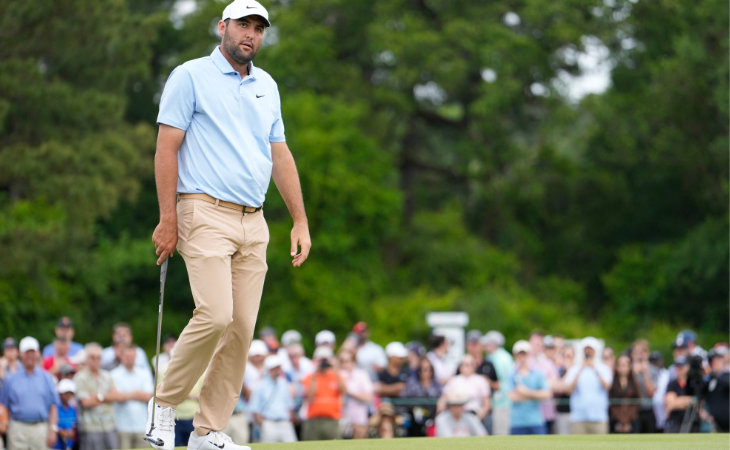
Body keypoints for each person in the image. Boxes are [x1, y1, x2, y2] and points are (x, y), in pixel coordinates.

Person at [147, 0, 311, 447]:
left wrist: (300, 220)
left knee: (241, 329)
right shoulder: (189, 75)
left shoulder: (267, 86)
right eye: (243, 24)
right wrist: (167, 218)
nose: (250, 34)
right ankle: (164, 404)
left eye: (259, 27)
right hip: (202, 211)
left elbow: (279, 154)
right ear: (223, 26)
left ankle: (208, 430)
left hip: (253, 222)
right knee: (216, 313)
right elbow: (166, 149)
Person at [0, 336, 59, 450]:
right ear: (21, 354)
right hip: (17, 428)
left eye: (32, 352)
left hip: (41, 428)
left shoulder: (46, 378)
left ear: (37, 354)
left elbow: (53, 405)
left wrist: (53, 429)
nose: (30, 356)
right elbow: (4, 406)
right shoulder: (11, 379)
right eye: (27, 353)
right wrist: (4, 424)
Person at [74, 342, 124, 450]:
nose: (96, 360)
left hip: (109, 426)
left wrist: (98, 396)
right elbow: (86, 403)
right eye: (92, 357)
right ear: (86, 359)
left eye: (99, 357)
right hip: (90, 428)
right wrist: (107, 397)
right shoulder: (80, 377)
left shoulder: (107, 375)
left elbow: (117, 396)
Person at [564, 337, 612, 434]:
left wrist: (594, 369)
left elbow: (607, 386)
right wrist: (581, 369)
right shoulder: (574, 368)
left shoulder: (603, 368)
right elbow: (569, 390)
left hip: (599, 416)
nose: (588, 352)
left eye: (591, 349)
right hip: (578, 417)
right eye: (586, 349)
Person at [110, 344, 154, 449]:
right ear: (121, 356)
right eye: (127, 356)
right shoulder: (113, 374)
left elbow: (149, 396)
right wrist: (136, 394)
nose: (130, 359)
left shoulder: (144, 373)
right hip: (121, 426)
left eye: (132, 356)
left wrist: (125, 395)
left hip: (142, 425)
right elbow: (115, 397)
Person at [249, 355, 297, 443]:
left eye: (278, 368)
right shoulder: (260, 386)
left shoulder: (284, 384)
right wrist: (263, 424)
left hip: (285, 422)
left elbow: (289, 406)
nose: (277, 371)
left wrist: (289, 419)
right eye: (274, 368)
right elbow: (255, 409)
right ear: (269, 370)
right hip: (268, 423)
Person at [507, 340, 551, 435]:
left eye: (525, 354)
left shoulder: (537, 373)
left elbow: (547, 394)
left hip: (535, 421)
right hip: (517, 422)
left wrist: (525, 392)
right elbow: (512, 397)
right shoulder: (511, 374)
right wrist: (535, 395)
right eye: (520, 354)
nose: (522, 357)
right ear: (515, 356)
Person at [300, 347, 344, 441]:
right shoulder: (310, 377)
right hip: (313, 420)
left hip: (332, 420)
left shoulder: (336, 376)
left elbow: (343, 391)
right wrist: (316, 372)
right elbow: (310, 395)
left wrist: (335, 369)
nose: (324, 363)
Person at [438, 354, 491, 427]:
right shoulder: (453, 381)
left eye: (468, 365)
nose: (466, 367)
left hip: (473, 414)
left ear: (474, 366)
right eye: (463, 364)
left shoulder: (481, 381)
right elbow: (443, 399)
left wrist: (477, 419)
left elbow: (487, 404)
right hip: (454, 415)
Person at [375, 342, 410, 438]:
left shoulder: (406, 372)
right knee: (386, 411)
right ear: (392, 357)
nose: (402, 359)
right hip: (384, 410)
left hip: (403, 409)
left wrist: (386, 389)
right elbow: (377, 389)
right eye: (399, 357)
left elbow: (406, 390)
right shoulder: (382, 373)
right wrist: (396, 388)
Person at [483, 330, 513, 435]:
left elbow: (501, 382)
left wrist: (486, 381)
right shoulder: (502, 356)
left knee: (501, 432)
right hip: (502, 401)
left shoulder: (499, 358)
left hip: (502, 401)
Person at [337, 349, 373, 439]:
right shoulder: (336, 375)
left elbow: (368, 397)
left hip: (359, 418)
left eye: (347, 361)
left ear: (353, 361)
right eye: (342, 361)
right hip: (340, 418)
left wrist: (349, 392)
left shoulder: (361, 375)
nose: (344, 364)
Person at [402, 356, 441, 437]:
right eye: (424, 370)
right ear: (419, 371)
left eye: (429, 369)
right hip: (414, 419)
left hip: (433, 417)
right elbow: (404, 399)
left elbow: (441, 398)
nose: (427, 372)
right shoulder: (412, 383)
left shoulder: (437, 385)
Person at [664, 356, 699, 433]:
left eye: (681, 367)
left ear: (688, 367)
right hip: (676, 422)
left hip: (692, 422)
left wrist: (679, 400)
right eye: (677, 367)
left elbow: (698, 400)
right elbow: (671, 404)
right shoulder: (672, 384)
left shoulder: (693, 383)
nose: (679, 369)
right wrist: (689, 400)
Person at [608, 354, 640, 433]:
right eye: (619, 365)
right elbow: (611, 403)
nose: (622, 368)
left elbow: (637, 402)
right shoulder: (612, 384)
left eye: (624, 365)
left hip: (632, 420)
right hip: (615, 420)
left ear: (629, 367)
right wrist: (620, 421)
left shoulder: (634, 384)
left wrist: (627, 421)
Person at [701, 348, 729, 432]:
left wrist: (715, 375)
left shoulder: (726, 376)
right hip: (715, 424)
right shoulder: (708, 380)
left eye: (718, 360)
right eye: (713, 361)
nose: (715, 363)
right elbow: (700, 395)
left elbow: (727, 384)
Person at [55, 379, 78, 450]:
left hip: (69, 445)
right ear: (60, 394)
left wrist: (72, 432)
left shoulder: (72, 410)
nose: (68, 396)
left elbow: (74, 425)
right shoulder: (55, 409)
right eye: (66, 394)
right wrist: (60, 431)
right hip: (56, 445)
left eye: (70, 394)